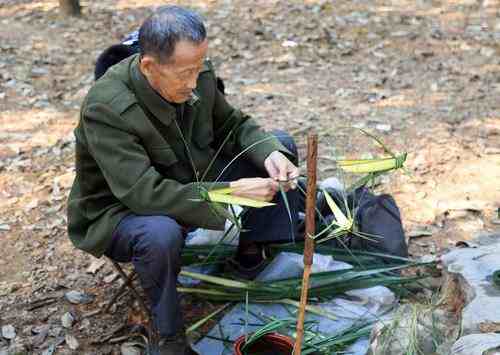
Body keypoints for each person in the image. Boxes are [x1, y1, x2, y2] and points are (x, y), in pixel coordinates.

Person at [67, 5, 300, 355]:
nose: (194, 83)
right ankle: (170, 338)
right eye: (184, 74)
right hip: (121, 210)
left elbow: (233, 125)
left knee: (279, 145)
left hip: (187, 179)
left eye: (198, 68)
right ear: (148, 66)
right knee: (159, 232)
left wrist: (269, 152)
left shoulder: (194, 72)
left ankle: (251, 253)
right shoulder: (107, 107)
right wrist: (228, 193)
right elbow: (143, 194)